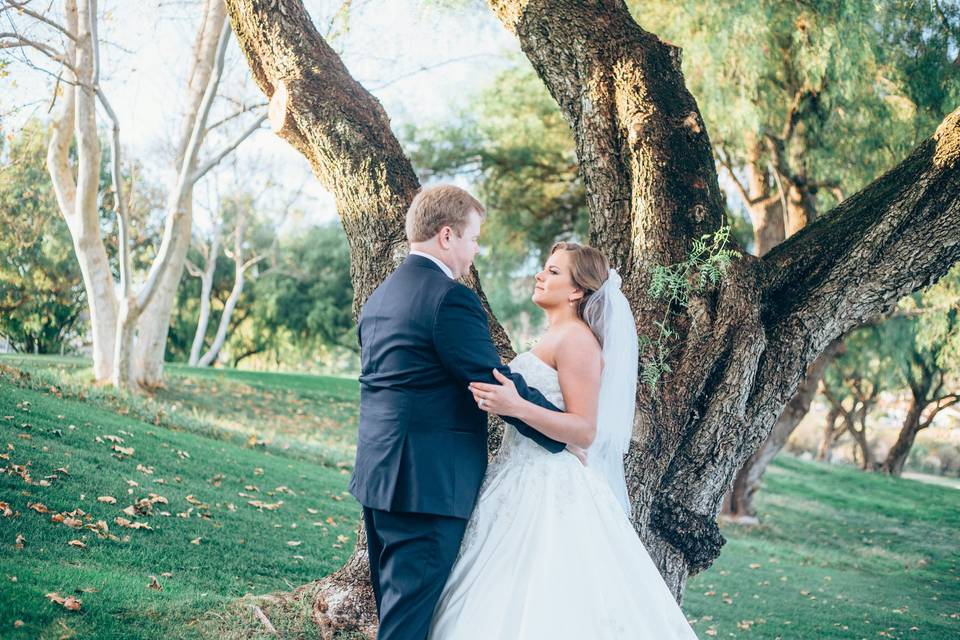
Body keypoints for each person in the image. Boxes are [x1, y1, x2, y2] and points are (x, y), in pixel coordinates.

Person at [428, 241, 700, 639]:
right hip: (514, 476)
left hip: (546, 484)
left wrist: (516, 406)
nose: (541, 275)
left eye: (553, 272)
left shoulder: (576, 340)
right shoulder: (554, 336)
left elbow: (584, 429)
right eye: (544, 268)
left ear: (577, 291)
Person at [349, 184, 573, 640]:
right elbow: (492, 382)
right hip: (426, 486)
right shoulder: (449, 298)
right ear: (447, 235)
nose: (476, 250)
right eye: (473, 238)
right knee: (406, 627)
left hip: (378, 479)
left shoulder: (382, 296)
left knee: (397, 616)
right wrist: (564, 433)